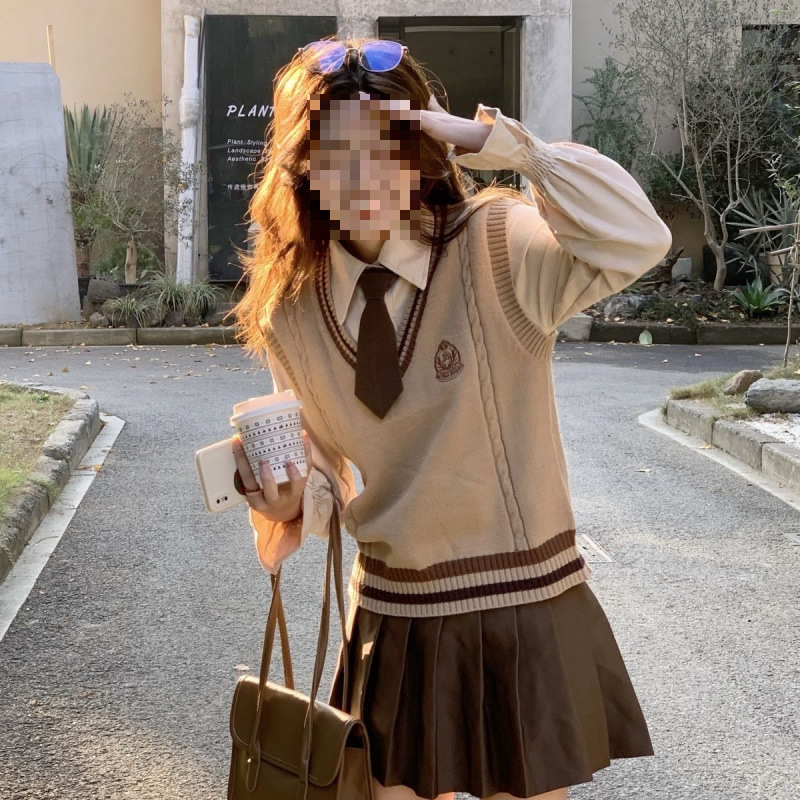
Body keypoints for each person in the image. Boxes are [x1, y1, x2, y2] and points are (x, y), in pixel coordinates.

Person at [231, 35, 672, 800]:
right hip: (391, 615)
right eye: (338, 153)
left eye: (388, 145)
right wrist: (287, 499)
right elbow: (327, 477)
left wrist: (504, 146)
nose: (366, 175)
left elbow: (638, 238)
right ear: (303, 167)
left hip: (520, 606)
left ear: (420, 153)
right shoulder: (291, 312)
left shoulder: (497, 245)